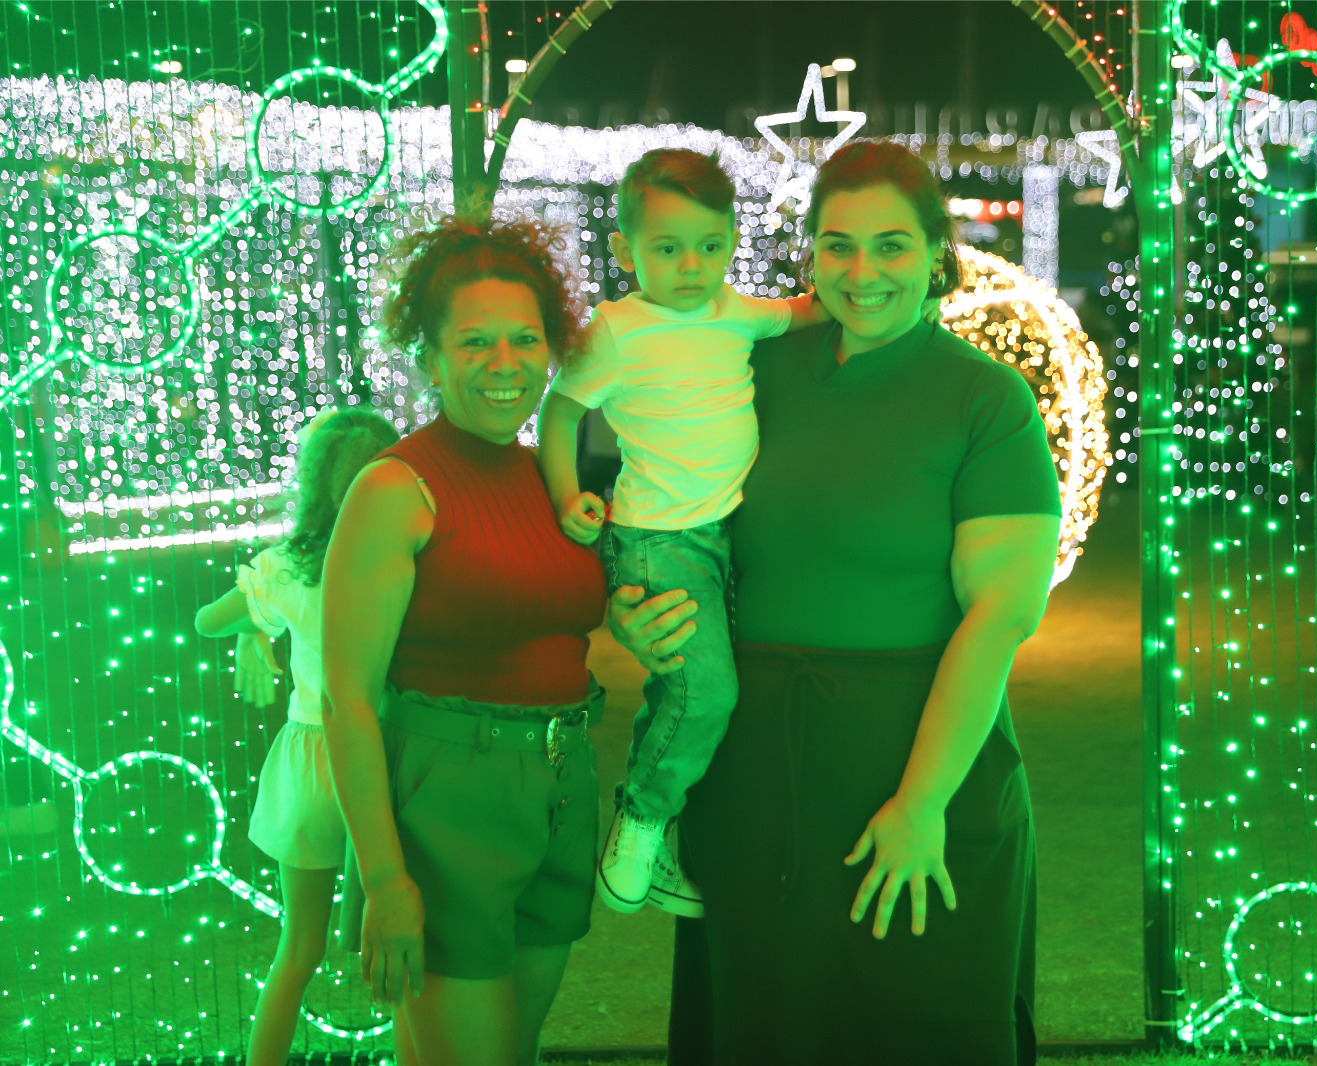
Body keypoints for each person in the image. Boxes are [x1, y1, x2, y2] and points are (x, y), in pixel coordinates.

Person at [608, 139, 1062, 1065]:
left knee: (920, 1025)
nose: (864, 272)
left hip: (921, 759)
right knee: (758, 1026)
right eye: (839, 245)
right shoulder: (756, 367)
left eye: (892, 245)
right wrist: (633, 605)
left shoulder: (988, 401)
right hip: (752, 774)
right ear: (809, 253)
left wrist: (921, 803)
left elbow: (1000, 617)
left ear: (936, 252)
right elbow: (668, 511)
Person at [320, 215, 607, 1066]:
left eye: (526, 339)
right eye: (475, 342)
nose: (505, 363)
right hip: (449, 794)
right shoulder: (395, 488)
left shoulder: (550, 474)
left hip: (564, 781)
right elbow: (347, 702)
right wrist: (384, 877)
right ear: (430, 357)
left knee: (513, 1052)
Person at [535, 147, 826, 915]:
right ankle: (640, 822)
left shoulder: (735, 310)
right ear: (626, 250)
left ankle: (660, 838)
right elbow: (559, 411)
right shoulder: (616, 331)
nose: (693, 266)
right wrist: (566, 495)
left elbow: (806, 310)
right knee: (706, 695)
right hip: (659, 539)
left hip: (730, 533)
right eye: (668, 249)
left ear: (731, 242)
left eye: (709, 245)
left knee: (684, 687)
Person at [194, 406, 399, 1066]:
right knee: (400, 943)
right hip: (393, 758)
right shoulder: (406, 556)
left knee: (299, 946)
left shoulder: (286, 568)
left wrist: (254, 624)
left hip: (313, 757)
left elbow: (206, 621)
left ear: (313, 482)